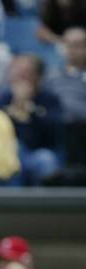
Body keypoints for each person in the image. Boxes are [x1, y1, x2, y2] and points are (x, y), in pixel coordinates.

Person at [0, 54, 62, 185]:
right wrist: (15, 106)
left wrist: (30, 109)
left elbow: (51, 136)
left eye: (25, 73)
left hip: (37, 153)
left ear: (38, 77)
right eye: (16, 71)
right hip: (7, 154)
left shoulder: (49, 99)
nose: (19, 77)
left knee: (46, 159)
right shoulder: (4, 98)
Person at [48, 28, 86, 166]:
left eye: (77, 45)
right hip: (59, 129)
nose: (72, 50)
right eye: (68, 45)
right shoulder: (51, 76)